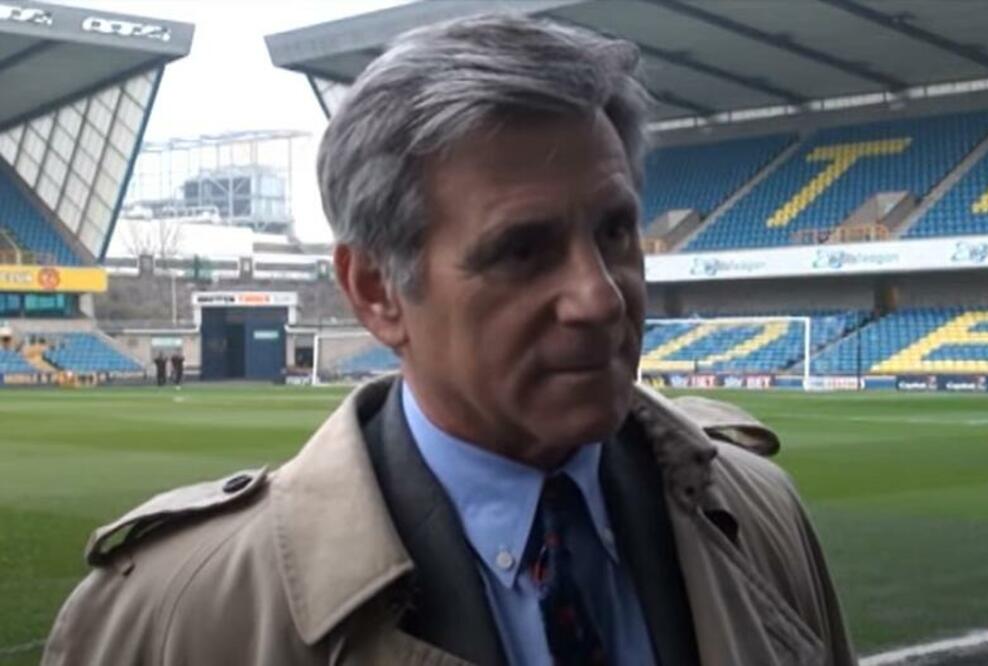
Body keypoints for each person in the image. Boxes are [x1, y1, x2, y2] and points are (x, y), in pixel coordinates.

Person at [42, 14, 854, 666]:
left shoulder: (758, 512)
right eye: (523, 251)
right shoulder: (174, 618)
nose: (599, 298)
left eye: (615, 232)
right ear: (375, 290)